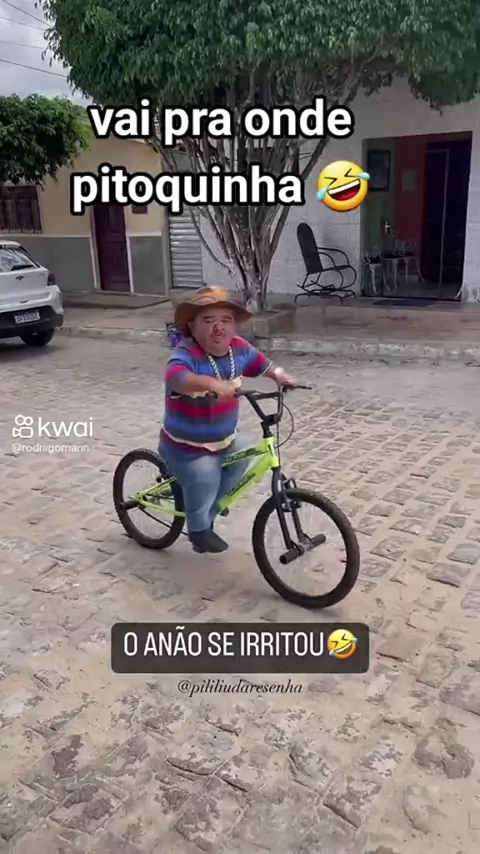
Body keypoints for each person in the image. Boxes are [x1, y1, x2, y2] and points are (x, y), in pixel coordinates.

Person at [159, 286, 297, 554]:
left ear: (234, 326)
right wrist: (209, 383)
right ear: (192, 326)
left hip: (224, 438)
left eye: (226, 320)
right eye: (208, 320)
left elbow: (263, 364)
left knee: (244, 454)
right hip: (185, 446)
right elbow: (176, 377)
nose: (218, 327)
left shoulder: (239, 349)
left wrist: (280, 375)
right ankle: (198, 530)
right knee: (205, 477)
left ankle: (211, 505)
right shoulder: (187, 353)